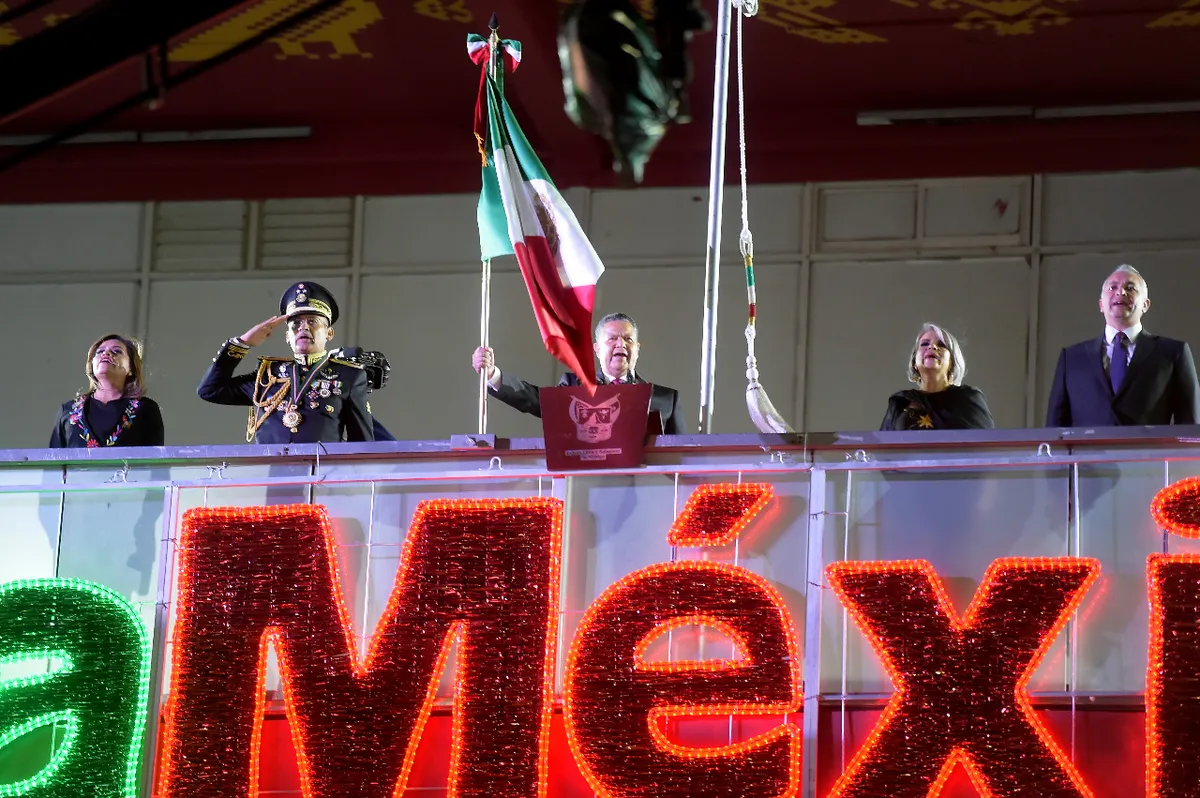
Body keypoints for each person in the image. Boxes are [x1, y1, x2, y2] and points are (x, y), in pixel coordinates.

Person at [198, 281, 374, 444]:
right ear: (288, 337)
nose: (303, 327)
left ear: (329, 333)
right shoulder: (267, 376)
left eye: (312, 322)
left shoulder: (349, 376)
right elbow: (210, 391)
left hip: (322, 474)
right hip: (274, 476)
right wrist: (243, 343)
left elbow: (362, 443)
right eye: (295, 323)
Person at [472, 312, 685, 434]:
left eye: (628, 339)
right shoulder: (576, 387)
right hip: (586, 492)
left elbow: (682, 457)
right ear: (597, 348)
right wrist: (493, 375)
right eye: (612, 339)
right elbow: (536, 400)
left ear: (637, 348)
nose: (621, 344)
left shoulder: (665, 398)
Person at [1046, 265, 1200, 427]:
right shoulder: (1072, 358)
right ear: (1100, 304)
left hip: (1149, 452)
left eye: (1131, 288)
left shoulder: (1172, 353)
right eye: (1113, 287)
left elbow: (1189, 426)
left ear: (1146, 305)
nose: (1121, 292)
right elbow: (1054, 428)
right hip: (1088, 453)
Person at [50, 334, 165, 448]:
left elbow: (152, 463)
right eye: (100, 352)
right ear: (91, 365)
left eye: (117, 352)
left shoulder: (146, 409)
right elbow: (53, 462)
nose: (106, 354)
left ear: (131, 368)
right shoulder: (67, 411)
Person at [880, 323, 994, 431]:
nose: (932, 347)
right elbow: (880, 448)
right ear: (914, 362)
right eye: (924, 344)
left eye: (941, 345)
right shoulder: (900, 402)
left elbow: (987, 445)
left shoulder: (969, 399)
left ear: (952, 362)